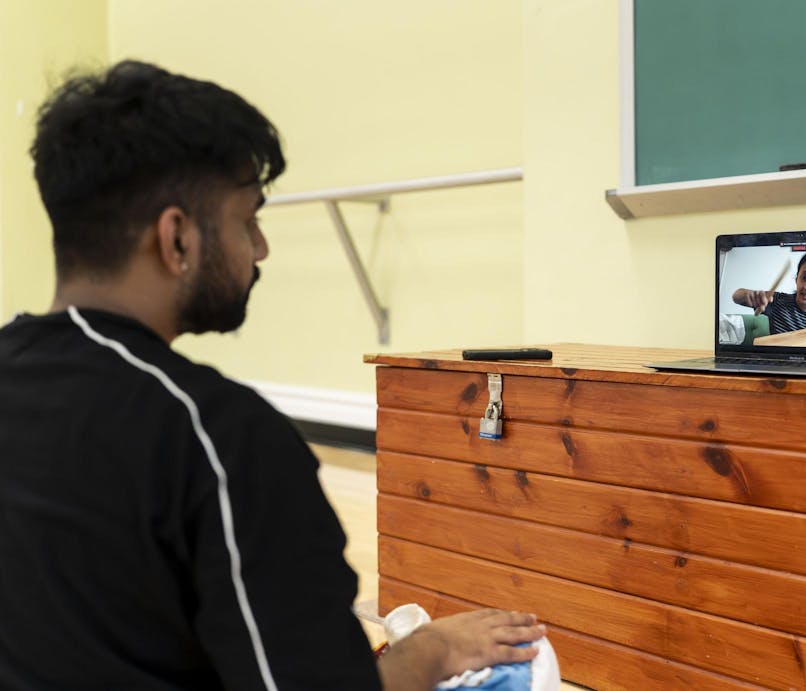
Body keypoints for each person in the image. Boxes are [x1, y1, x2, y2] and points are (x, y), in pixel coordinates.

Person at [0, 60, 544, 690]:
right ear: (176, 239)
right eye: (248, 219)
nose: (259, 248)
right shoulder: (222, 441)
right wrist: (431, 650)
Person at [732, 250, 806, 335]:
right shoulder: (777, 300)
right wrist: (748, 295)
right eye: (804, 277)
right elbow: (736, 296)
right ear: (796, 279)